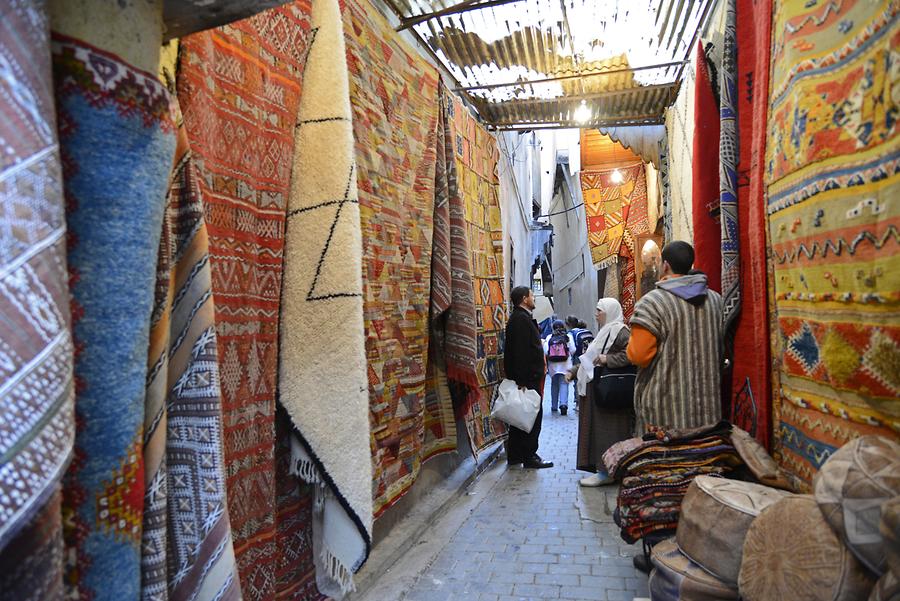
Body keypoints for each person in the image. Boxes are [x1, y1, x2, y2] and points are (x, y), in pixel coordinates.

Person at [626, 241, 723, 434]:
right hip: (708, 409)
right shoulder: (715, 300)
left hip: (665, 412)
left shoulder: (651, 303)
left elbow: (638, 356)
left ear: (665, 265)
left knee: (664, 462)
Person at [567, 298, 634, 486]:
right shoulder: (606, 332)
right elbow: (590, 359)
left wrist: (607, 359)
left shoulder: (620, 331)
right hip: (598, 390)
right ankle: (602, 469)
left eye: (599, 310)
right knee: (599, 430)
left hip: (610, 391)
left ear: (609, 311)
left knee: (609, 430)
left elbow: (631, 354)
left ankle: (608, 472)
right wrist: (573, 372)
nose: (596, 314)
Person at [503, 286, 553, 469]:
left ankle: (516, 455)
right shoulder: (521, 320)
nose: (534, 299)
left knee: (520, 416)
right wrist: (523, 380)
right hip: (528, 379)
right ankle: (529, 456)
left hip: (527, 377)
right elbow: (520, 353)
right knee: (531, 416)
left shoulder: (520, 318)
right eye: (532, 296)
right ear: (524, 299)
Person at [543, 320, 576, 415]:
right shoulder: (568, 337)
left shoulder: (549, 337)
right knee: (564, 383)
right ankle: (563, 404)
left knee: (554, 384)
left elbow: (546, 351)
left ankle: (554, 406)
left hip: (553, 365)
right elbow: (573, 350)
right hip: (565, 365)